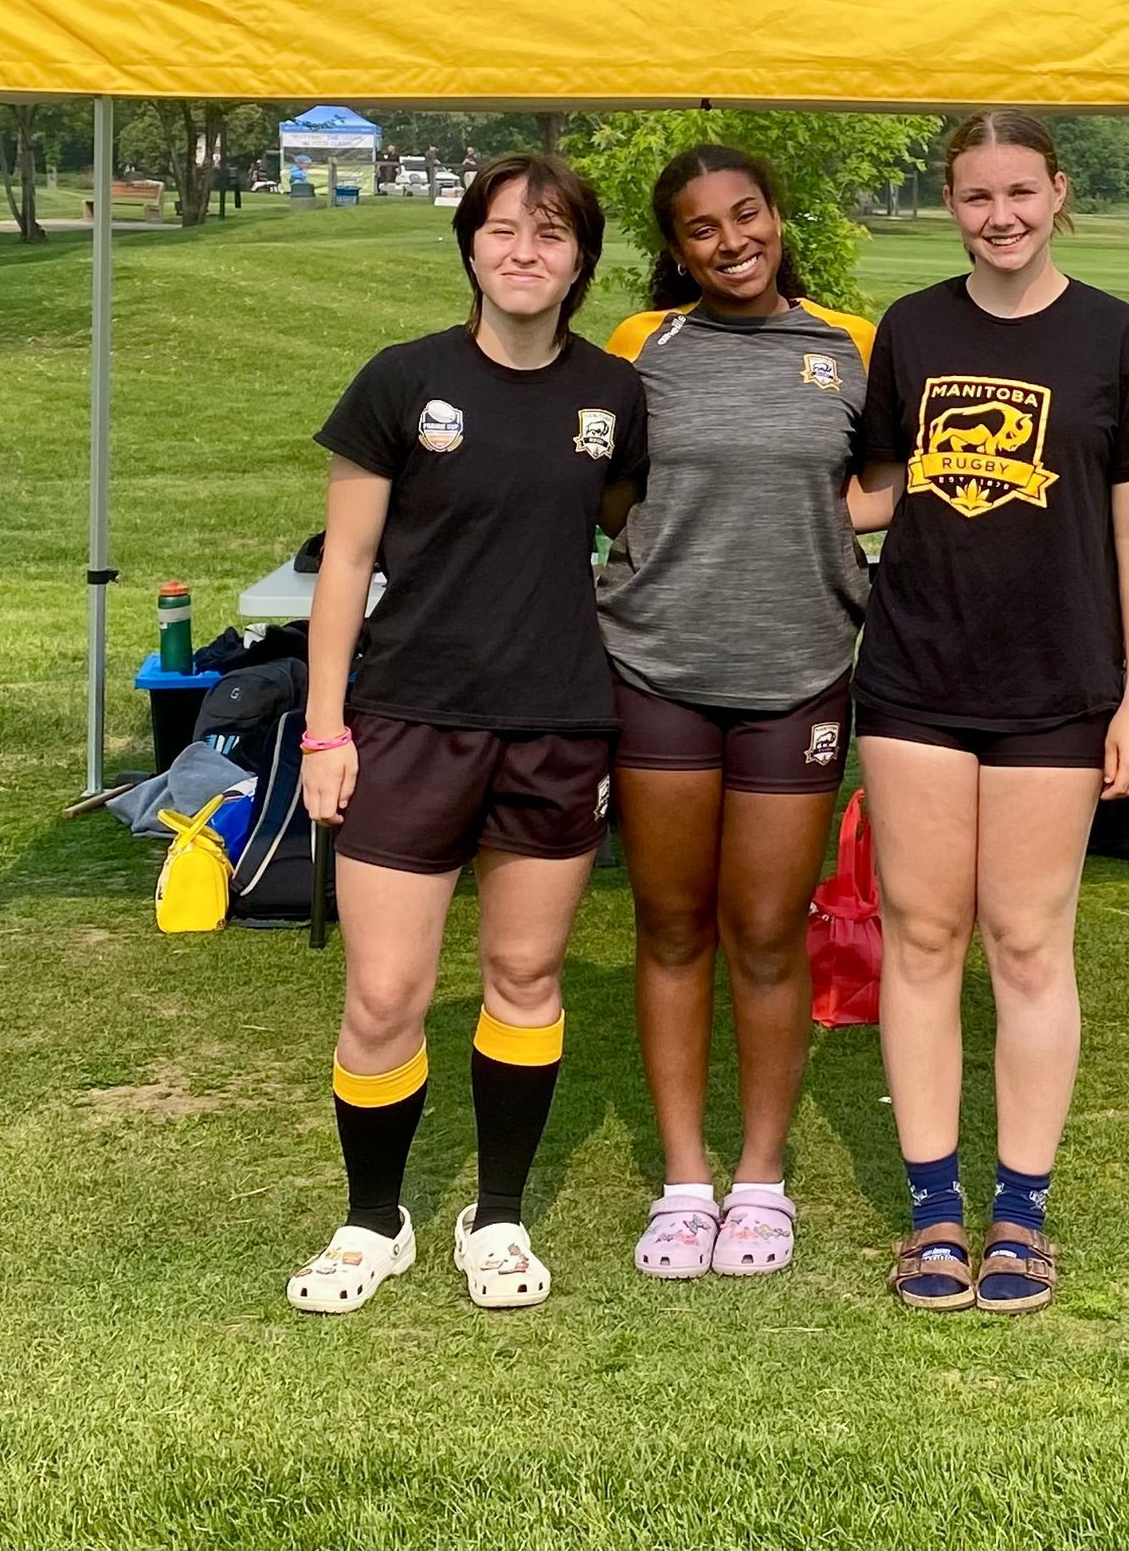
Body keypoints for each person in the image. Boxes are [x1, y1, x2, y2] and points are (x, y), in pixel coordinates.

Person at [287, 152, 647, 1316]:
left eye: (549, 234)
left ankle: (496, 1216)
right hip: (408, 720)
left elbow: (621, 536)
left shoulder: (613, 397)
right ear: (470, 246)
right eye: (501, 230)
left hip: (556, 724)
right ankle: (371, 1219)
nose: (523, 251)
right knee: (386, 991)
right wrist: (325, 731)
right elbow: (344, 562)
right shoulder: (401, 383)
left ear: (581, 258)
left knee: (525, 972)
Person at [853, 110, 1129, 1316]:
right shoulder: (912, 327)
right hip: (914, 682)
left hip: (1059, 682)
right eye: (974, 196)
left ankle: (1022, 1210)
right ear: (952, 204)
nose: (999, 216)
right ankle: (935, 1207)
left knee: (1028, 941)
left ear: (1058, 191)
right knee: (924, 933)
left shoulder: (1119, 337)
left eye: (1018, 192)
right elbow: (885, 489)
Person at [599, 144, 881, 1280]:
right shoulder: (639, 345)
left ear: (779, 216)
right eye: (702, 227)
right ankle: (682, 1182)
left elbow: (895, 472)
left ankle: (760, 1178)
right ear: (675, 247)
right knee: (672, 928)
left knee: (768, 933)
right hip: (655, 667)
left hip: (800, 673)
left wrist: (825, 538)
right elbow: (612, 484)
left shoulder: (853, 344)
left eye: (747, 214)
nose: (731, 241)